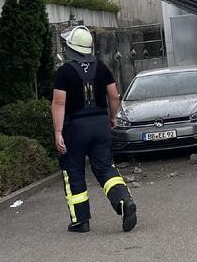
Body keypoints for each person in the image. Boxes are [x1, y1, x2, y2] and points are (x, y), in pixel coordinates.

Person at [51, 25, 137, 234]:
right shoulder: (102, 67)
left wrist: (58, 132)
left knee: (74, 172)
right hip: (100, 125)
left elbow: (59, 104)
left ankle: (81, 221)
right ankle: (124, 201)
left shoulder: (63, 72)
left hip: (75, 128)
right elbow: (114, 96)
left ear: (70, 48)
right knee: (105, 168)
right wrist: (112, 117)